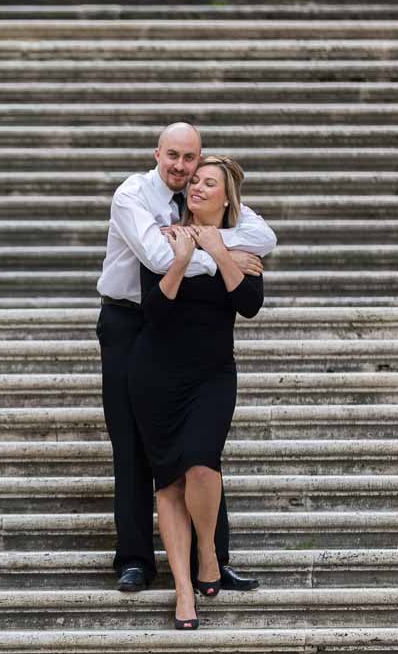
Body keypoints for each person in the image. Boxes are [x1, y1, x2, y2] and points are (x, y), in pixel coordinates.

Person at [95, 123, 275, 593]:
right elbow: (159, 258)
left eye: (189, 158)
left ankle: (213, 561)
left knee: (201, 451)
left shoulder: (198, 194)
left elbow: (264, 237)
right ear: (157, 153)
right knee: (132, 444)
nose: (181, 167)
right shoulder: (133, 195)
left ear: (200, 159)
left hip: (181, 329)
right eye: (172, 156)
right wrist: (222, 255)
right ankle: (135, 559)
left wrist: (214, 242)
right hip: (130, 321)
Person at [128, 155, 263, 629]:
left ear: (227, 198)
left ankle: (208, 551)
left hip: (212, 375)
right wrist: (183, 258)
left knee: (203, 464)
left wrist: (218, 251)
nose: (199, 188)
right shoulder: (163, 235)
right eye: (196, 182)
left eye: (210, 184)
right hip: (157, 374)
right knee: (169, 482)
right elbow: (154, 312)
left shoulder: (243, 242)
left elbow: (248, 305)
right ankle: (184, 590)